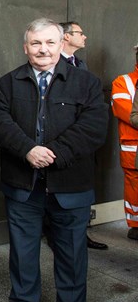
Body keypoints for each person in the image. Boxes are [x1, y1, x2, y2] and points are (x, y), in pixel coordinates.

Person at [0, 18, 108, 302]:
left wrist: (52, 153)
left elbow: (93, 128)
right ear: (25, 47)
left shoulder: (87, 83)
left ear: (61, 44)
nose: (43, 49)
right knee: (22, 257)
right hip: (22, 188)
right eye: (36, 43)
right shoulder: (8, 83)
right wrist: (28, 149)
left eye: (50, 42)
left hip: (71, 187)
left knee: (72, 258)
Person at [56, 21, 108, 250]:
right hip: (57, 141)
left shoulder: (81, 65)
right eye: (79, 32)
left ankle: (80, 234)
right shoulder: (51, 64)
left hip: (81, 142)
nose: (85, 37)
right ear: (65, 37)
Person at [115, 44, 138, 240]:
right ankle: (136, 224)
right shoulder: (123, 82)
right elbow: (129, 114)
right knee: (134, 184)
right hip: (133, 146)